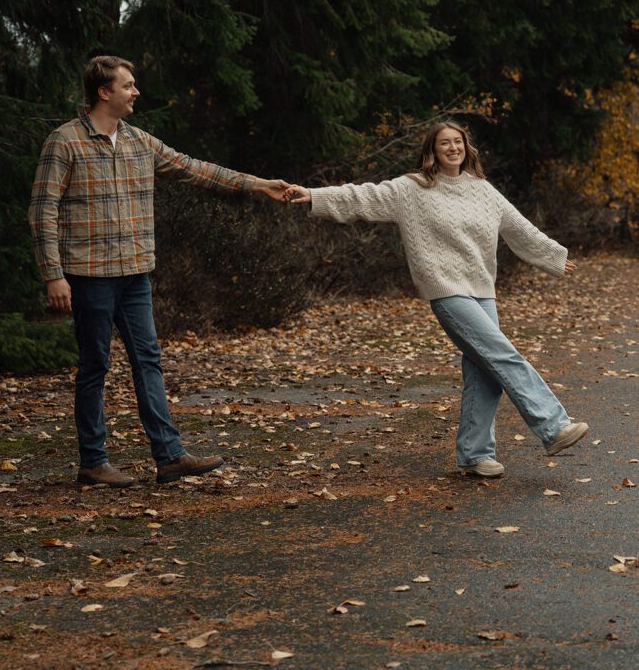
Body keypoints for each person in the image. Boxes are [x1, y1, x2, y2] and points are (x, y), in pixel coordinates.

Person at [29, 55, 290, 487]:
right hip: (88, 275)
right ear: (103, 92)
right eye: (128, 85)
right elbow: (43, 211)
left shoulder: (140, 142)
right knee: (95, 365)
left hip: (135, 274)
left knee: (148, 359)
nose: (135, 92)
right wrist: (53, 274)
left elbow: (196, 169)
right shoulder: (65, 142)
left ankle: (169, 457)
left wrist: (259, 184)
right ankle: (93, 462)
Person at [286, 121, 588, 478]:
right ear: (433, 149)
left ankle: (475, 454)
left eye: (458, 142)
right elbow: (361, 197)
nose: (452, 148)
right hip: (446, 289)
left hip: (482, 290)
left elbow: (518, 227)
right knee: (503, 356)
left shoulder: (483, 190)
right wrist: (313, 195)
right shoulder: (411, 188)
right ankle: (553, 427)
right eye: (445, 143)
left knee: (486, 372)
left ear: (466, 148)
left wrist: (551, 255)